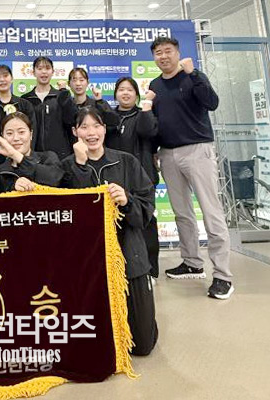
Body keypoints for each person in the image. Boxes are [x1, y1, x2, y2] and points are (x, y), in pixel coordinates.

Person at [61, 107, 158, 356]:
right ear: (75, 132)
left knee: (142, 344)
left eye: (96, 126)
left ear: (105, 129)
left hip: (129, 255)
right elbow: (68, 214)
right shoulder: (66, 167)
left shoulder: (126, 161)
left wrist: (127, 200)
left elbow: (146, 211)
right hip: (87, 260)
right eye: (84, 127)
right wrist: (80, 166)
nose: (91, 133)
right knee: (96, 345)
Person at [149, 36, 233, 299]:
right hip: (168, 153)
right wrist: (154, 150)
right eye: (158, 53)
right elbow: (156, 121)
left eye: (168, 51)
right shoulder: (154, 85)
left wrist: (194, 74)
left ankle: (223, 275)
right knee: (182, 212)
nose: (163, 56)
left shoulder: (193, 76)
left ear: (177, 53)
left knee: (211, 212)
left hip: (198, 150)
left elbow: (212, 102)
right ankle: (192, 262)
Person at [106, 77, 160, 279]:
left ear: (136, 94)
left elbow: (148, 131)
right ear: (115, 94)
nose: (125, 93)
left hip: (141, 177)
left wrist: (146, 106)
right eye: (121, 89)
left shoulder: (143, 114)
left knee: (145, 221)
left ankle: (150, 270)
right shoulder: (109, 118)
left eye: (130, 90)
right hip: (115, 177)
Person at [21, 57, 77, 160]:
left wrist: (64, 94)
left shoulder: (61, 96)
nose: (44, 72)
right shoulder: (25, 99)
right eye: (40, 68)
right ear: (33, 72)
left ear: (53, 72)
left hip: (60, 156)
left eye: (47, 68)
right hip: (33, 156)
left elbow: (72, 120)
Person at [0, 112, 64, 192]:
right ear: (3, 137)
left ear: (31, 134)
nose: (16, 138)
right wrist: (13, 186)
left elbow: (55, 179)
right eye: (9, 133)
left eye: (21, 132)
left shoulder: (47, 158)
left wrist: (16, 155)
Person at [0, 64, 37, 138]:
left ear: (12, 79)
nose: (2, 80)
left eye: (5, 76)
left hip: (19, 145)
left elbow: (32, 131)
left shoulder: (25, 104)